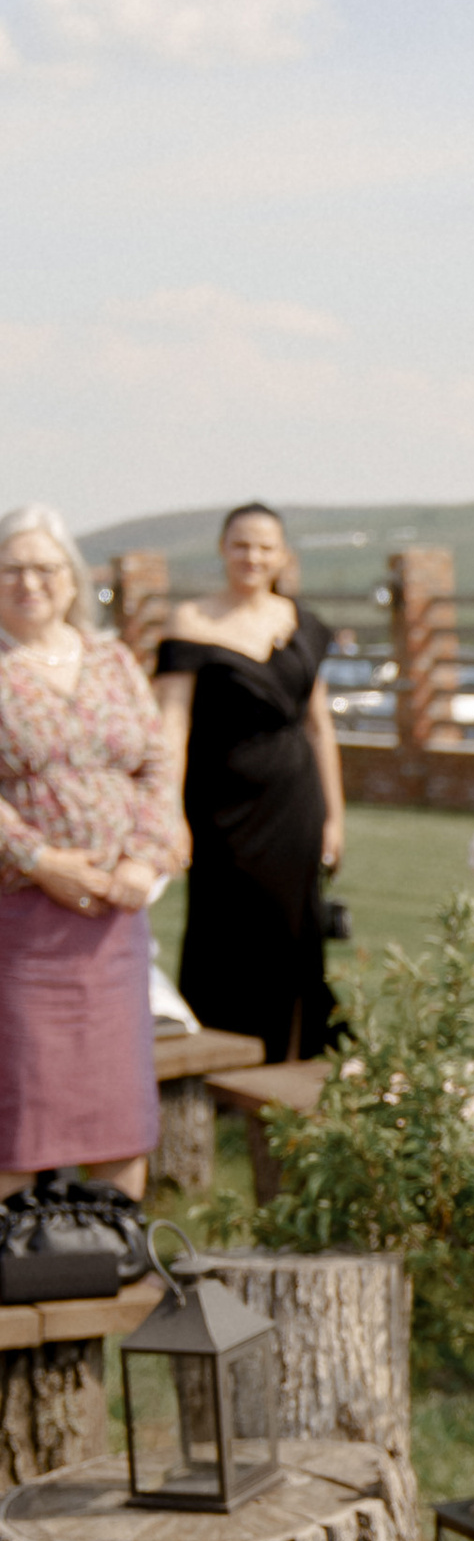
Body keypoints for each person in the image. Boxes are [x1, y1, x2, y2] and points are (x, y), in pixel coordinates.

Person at [0, 506, 183, 1198]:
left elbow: (157, 765)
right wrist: (39, 860)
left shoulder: (112, 661)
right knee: (23, 1097)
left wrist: (143, 859)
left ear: (72, 580)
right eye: (12, 568)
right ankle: (17, 1272)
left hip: (114, 917)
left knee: (115, 1103)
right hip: (22, 917)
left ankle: (116, 1257)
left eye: (44, 568)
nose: (29, 583)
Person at [153, 503, 344, 1062]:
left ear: (282, 555)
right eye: (241, 545)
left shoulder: (303, 623)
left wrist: (335, 814)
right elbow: (173, 722)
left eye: (264, 547)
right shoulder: (190, 620)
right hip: (220, 803)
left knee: (295, 928)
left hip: (296, 801)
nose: (252, 557)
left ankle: (291, 1059)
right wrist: (167, 809)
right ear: (221, 548)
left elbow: (320, 725)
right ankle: (219, 1062)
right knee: (223, 929)